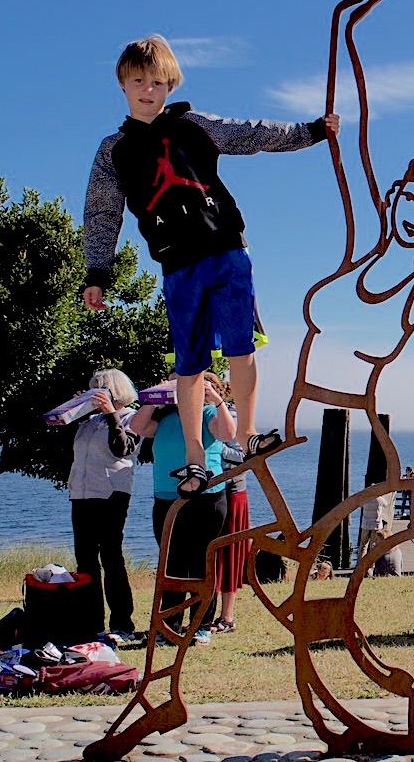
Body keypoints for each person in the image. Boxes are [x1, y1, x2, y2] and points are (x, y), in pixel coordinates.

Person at [82, 34, 340, 497]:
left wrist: (311, 131)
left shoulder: (193, 125)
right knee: (189, 366)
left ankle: (246, 436)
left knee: (242, 348)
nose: (148, 90)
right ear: (123, 84)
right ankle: (196, 458)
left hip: (226, 251)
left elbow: (251, 134)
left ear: (170, 84)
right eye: (139, 81)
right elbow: (102, 213)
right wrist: (96, 272)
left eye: (158, 82)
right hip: (178, 266)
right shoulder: (113, 150)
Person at [131, 372, 235, 646]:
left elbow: (227, 433)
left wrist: (216, 400)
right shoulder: (164, 417)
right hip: (166, 497)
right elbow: (137, 426)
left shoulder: (208, 412)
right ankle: (170, 626)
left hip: (206, 497)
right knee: (172, 563)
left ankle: (201, 625)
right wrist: (153, 397)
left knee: (202, 562)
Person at [67, 368, 141, 643]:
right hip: (82, 493)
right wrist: (75, 410)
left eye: (100, 388)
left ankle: (123, 623)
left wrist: (112, 414)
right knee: (85, 561)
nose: (95, 394)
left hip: (111, 493)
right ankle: (91, 623)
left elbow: (121, 449)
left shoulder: (132, 417)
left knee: (111, 557)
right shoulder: (89, 421)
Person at [210, 377, 248, 634]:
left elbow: (244, 457)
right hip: (209, 493)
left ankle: (227, 616)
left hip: (232, 491)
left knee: (230, 554)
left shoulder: (234, 416)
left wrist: (216, 449)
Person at [358, 489, 389, 569]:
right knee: (373, 546)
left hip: (365, 525)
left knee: (363, 545)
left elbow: (360, 504)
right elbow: (386, 504)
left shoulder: (365, 499)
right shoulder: (379, 499)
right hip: (376, 525)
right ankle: (371, 563)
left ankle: (360, 563)